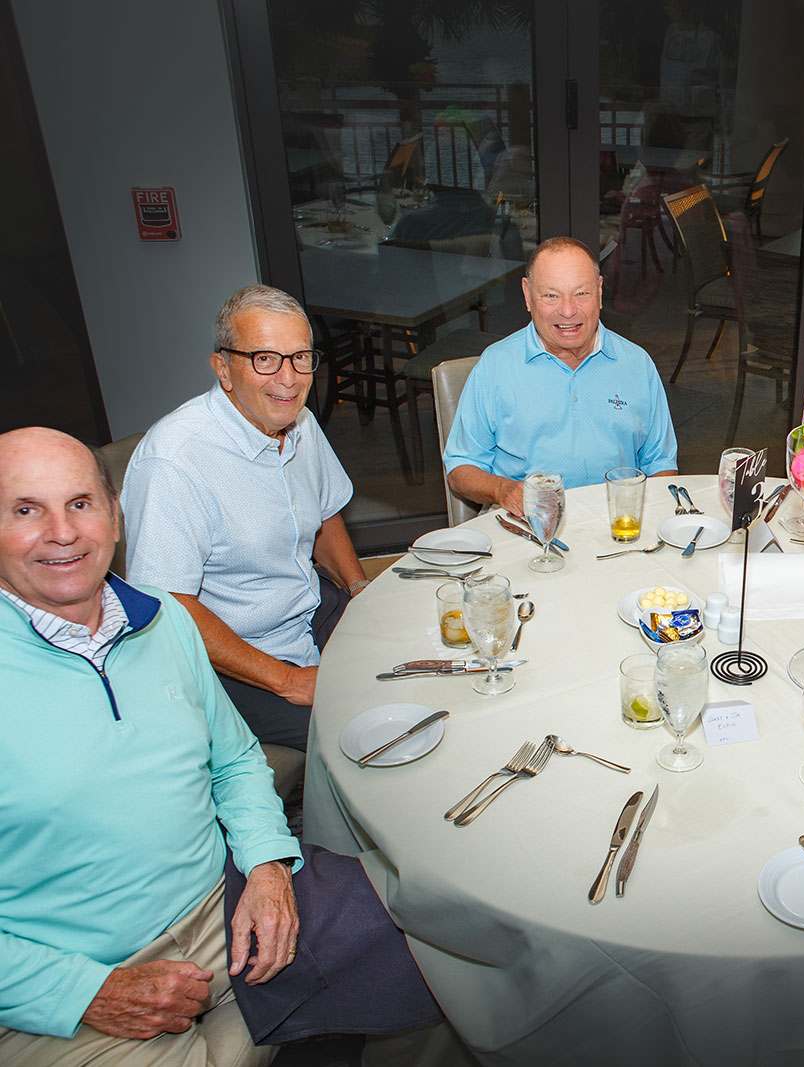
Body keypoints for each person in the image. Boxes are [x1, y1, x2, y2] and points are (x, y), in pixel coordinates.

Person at [0, 428, 441, 1066]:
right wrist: (82, 991)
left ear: (115, 516)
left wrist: (266, 866)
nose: (62, 533)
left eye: (79, 504)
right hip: (68, 971)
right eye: (25, 510)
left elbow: (233, 761)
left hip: (221, 901)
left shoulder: (164, 619)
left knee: (438, 944)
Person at [121, 285, 369, 751]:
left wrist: (358, 590)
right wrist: (289, 681)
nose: (289, 379)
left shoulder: (298, 421)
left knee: (415, 664)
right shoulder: (174, 460)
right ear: (223, 369)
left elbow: (324, 513)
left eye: (300, 358)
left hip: (307, 608)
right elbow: (168, 605)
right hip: (233, 660)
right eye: (265, 359)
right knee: (360, 733)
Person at [443, 236, 679, 516]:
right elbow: (460, 468)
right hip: (526, 524)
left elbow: (661, 464)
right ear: (527, 295)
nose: (568, 311)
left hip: (616, 523)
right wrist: (502, 490)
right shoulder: (495, 365)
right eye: (551, 296)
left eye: (581, 293)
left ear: (599, 291)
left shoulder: (637, 364)